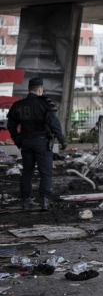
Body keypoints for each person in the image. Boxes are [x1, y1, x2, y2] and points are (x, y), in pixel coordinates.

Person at [7, 76, 67, 211]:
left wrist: (17, 139)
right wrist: (62, 140)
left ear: (29, 89)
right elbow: (54, 124)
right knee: (45, 172)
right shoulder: (45, 103)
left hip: (26, 143)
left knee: (27, 172)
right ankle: (45, 202)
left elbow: (11, 125)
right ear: (40, 89)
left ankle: (26, 202)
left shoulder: (18, 105)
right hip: (42, 142)